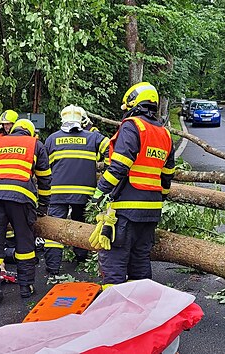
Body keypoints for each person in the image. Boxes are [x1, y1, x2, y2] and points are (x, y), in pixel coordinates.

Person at [90, 82, 175, 289]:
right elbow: (167, 174)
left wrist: (100, 191)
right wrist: (159, 196)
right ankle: (140, 311)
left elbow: (120, 165)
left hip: (128, 207)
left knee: (114, 259)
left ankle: (115, 311)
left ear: (134, 103)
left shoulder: (132, 126)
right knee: (140, 259)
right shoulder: (164, 133)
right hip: (152, 210)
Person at [0, 119, 51, 307]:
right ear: (30, 132)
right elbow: (44, 178)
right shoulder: (35, 144)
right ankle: (26, 287)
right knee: (24, 242)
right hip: (21, 197)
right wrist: (43, 206)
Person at [43, 104, 109, 275]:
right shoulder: (93, 138)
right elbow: (113, 149)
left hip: (57, 193)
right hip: (85, 193)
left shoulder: (51, 139)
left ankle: (52, 267)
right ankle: (81, 257)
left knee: (54, 229)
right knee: (81, 224)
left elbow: (43, 165)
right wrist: (108, 173)